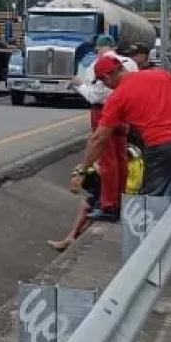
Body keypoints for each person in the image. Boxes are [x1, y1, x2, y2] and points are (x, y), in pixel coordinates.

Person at [71, 56, 171, 279]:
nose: (104, 86)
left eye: (102, 82)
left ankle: (141, 267)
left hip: (161, 148)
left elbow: (99, 139)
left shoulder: (117, 98)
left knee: (145, 205)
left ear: (108, 76)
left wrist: (82, 170)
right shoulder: (160, 75)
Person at [71, 34, 137, 222]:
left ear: (99, 48)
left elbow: (95, 97)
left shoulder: (96, 66)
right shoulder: (130, 63)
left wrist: (79, 85)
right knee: (121, 158)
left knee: (108, 161)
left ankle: (109, 204)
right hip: (125, 113)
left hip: (104, 112)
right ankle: (122, 198)